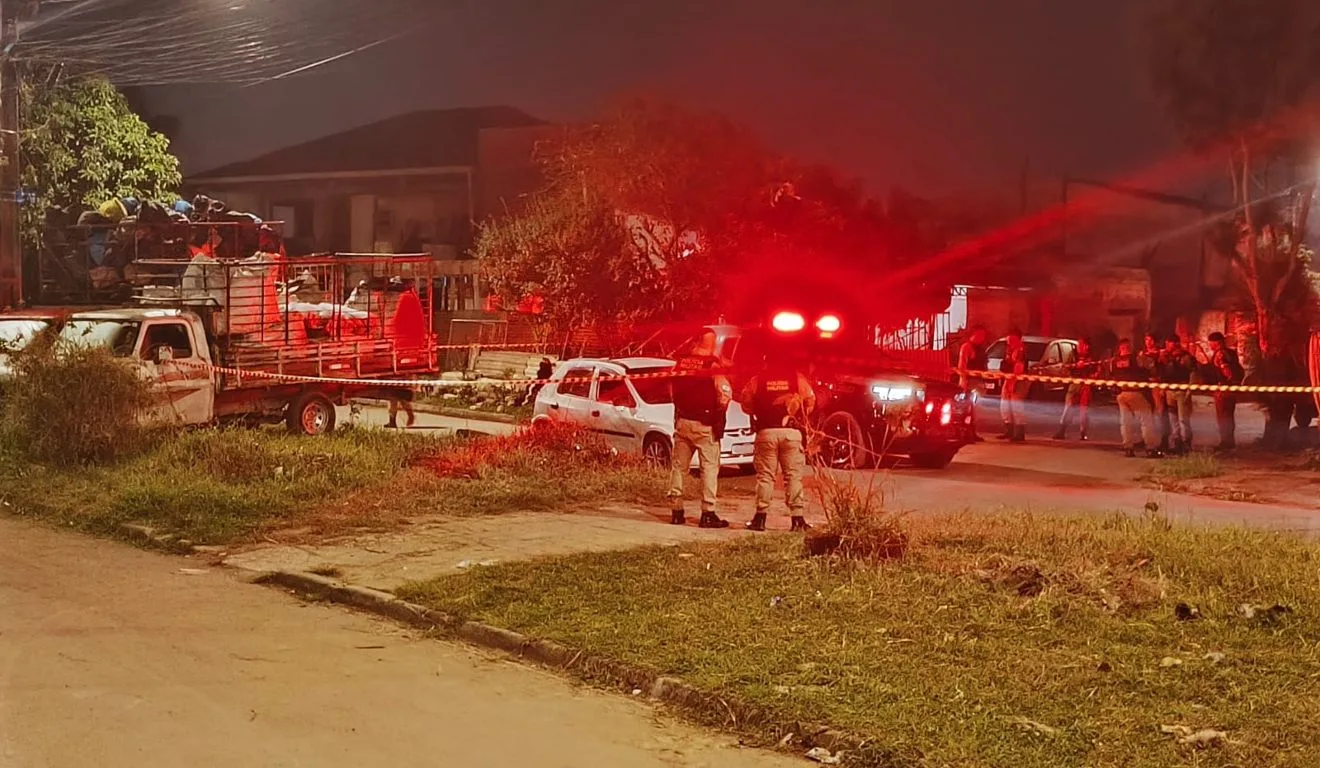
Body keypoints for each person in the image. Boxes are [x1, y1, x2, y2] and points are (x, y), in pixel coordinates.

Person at [739, 349, 816, 533]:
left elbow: (745, 403)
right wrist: (797, 414)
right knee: (793, 476)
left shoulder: (758, 380)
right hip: (791, 433)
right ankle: (798, 520)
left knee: (766, 476)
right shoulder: (797, 379)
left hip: (766, 432)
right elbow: (811, 401)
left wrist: (760, 412)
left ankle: (760, 519)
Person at [667, 329, 732, 528]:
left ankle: (676, 511)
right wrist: (718, 413)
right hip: (705, 425)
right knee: (709, 469)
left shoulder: (680, 363)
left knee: (678, 468)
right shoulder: (711, 365)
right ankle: (708, 513)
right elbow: (725, 393)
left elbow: (671, 391)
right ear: (710, 344)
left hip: (683, 422)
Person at [1109, 338, 1161, 458]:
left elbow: (1111, 376)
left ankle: (1128, 448)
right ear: (1128, 347)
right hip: (1137, 393)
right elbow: (1152, 368)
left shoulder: (1113, 361)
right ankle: (1150, 448)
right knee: (1146, 421)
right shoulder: (1137, 358)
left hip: (1122, 394)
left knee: (1125, 422)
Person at [1206, 331, 1244, 451]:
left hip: (1223, 389)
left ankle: (1226, 442)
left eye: (1210, 343)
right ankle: (1228, 441)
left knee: (1223, 417)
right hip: (1231, 389)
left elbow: (1227, 371)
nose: (1209, 345)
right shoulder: (1231, 352)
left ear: (1216, 342)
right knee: (1228, 416)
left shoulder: (1220, 354)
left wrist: (1226, 379)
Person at [1054, 337, 1097, 440]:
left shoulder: (1092, 356)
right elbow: (1067, 366)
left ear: (1087, 346)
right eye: (1078, 345)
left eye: (1081, 345)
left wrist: (1092, 375)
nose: (1079, 347)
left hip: (1086, 384)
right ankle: (1061, 430)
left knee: (1084, 409)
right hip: (1074, 383)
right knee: (1068, 406)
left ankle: (1083, 432)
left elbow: (1096, 370)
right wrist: (1075, 367)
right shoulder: (1073, 354)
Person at [1159, 335, 1196, 453]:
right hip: (1170, 391)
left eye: (1168, 343)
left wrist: (1189, 390)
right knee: (1173, 419)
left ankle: (1186, 444)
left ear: (1174, 344)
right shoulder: (1167, 358)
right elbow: (1164, 374)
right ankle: (1176, 443)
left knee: (1183, 419)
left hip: (1181, 390)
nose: (1167, 346)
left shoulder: (1185, 357)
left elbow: (1193, 373)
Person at [957, 326, 990, 441]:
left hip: (979, 382)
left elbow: (984, 365)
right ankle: (965, 433)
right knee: (967, 408)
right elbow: (962, 365)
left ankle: (972, 432)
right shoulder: (967, 347)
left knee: (976, 410)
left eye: (984, 336)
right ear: (973, 334)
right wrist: (964, 380)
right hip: (969, 382)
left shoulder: (981, 348)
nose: (982, 338)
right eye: (980, 335)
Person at [1140, 333, 1172, 452]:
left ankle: (1164, 440)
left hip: (1157, 384)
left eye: (1150, 339)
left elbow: (1164, 370)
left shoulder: (1161, 354)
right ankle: (1147, 438)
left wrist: (1163, 386)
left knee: (1160, 413)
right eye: (1146, 339)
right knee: (1147, 412)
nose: (1148, 342)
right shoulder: (1143, 354)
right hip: (1146, 385)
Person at [998, 328, 1029, 443]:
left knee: (1017, 407)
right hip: (1008, 379)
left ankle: (1019, 433)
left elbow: (1018, 369)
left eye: (1011, 339)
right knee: (1005, 406)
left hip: (1017, 381)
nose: (1008, 341)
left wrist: (1012, 383)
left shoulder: (1020, 351)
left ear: (1018, 339)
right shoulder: (1009, 350)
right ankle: (1008, 431)